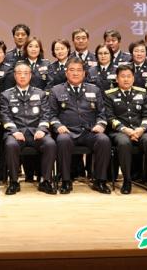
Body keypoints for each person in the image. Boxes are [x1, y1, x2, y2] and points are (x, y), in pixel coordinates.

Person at [48, 58, 112, 194]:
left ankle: (100, 181)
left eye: (79, 70)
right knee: (62, 140)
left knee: (104, 140)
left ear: (84, 73)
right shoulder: (56, 90)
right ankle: (66, 181)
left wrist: (100, 125)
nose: (75, 73)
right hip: (67, 132)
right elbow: (51, 115)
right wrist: (58, 126)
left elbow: (102, 113)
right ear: (66, 73)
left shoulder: (94, 89)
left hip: (89, 132)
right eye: (72, 70)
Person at [103, 66, 147, 195]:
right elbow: (110, 118)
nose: (126, 79)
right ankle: (127, 180)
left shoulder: (142, 93)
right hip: (120, 131)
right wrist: (126, 130)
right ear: (117, 79)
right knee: (124, 143)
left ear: (133, 78)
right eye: (123, 76)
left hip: (141, 130)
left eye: (129, 76)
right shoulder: (109, 94)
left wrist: (141, 129)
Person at [0, 62, 57, 195]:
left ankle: (45, 181)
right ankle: (14, 181)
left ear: (30, 76)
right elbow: (5, 116)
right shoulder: (6, 95)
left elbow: (46, 114)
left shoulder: (41, 94)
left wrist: (41, 129)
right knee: (10, 144)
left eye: (25, 73)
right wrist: (15, 131)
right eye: (19, 73)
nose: (22, 76)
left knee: (50, 144)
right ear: (15, 76)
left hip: (36, 132)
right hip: (16, 133)